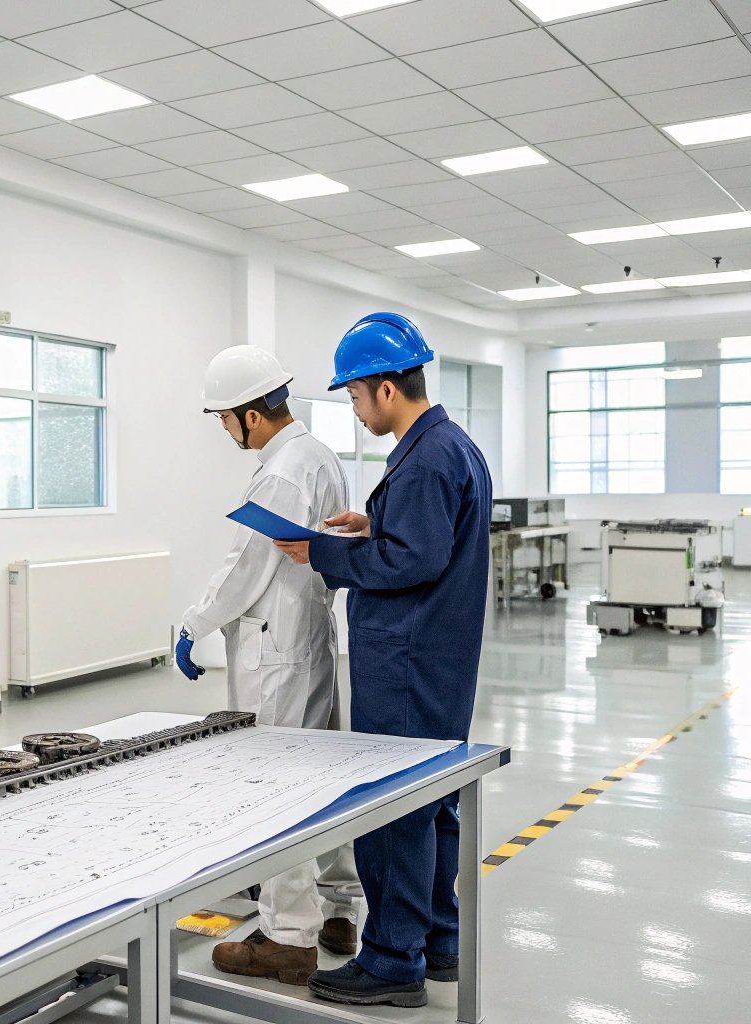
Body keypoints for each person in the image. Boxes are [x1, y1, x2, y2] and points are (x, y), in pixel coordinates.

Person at [274, 312, 491, 1008]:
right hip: (440, 659)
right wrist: (378, 524)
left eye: (355, 396)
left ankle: (394, 961)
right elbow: (430, 541)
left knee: (395, 808)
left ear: (387, 389)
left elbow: (413, 562)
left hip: (407, 659)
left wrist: (323, 553)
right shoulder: (452, 447)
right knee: (434, 799)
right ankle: (437, 938)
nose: (355, 409)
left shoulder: (423, 459)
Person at [173, 345, 363, 987]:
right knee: (322, 778)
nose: (225, 429)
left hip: (278, 648)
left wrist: (194, 623)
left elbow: (246, 567)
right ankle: (340, 909)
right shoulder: (318, 455)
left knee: (279, 788)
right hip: (309, 637)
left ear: (251, 414)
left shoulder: (281, 471)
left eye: (225, 418)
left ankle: (287, 935)